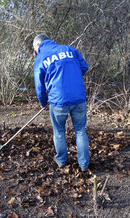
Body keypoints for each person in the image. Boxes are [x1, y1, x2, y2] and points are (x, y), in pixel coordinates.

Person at [33, 34, 90, 171]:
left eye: (34, 49)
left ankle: (62, 161)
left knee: (59, 131)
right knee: (80, 130)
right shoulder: (69, 49)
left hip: (58, 101)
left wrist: (43, 102)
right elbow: (84, 67)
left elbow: (39, 86)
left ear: (37, 45)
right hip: (78, 98)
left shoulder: (40, 58)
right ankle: (84, 165)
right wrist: (71, 76)